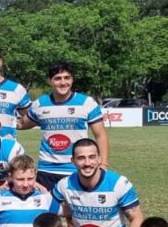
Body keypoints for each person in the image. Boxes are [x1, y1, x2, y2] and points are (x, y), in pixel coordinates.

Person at [25, 61, 108, 191]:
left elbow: (100, 135)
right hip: (46, 169)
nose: (63, 82)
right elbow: (23, 123)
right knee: (48, 204)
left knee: (77, 204)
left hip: (77, 167)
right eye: (58, 78)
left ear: (72, 79)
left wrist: (103, 164)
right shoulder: (39, 104)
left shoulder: (87, 103)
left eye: (67, 78)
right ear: (49, 81)